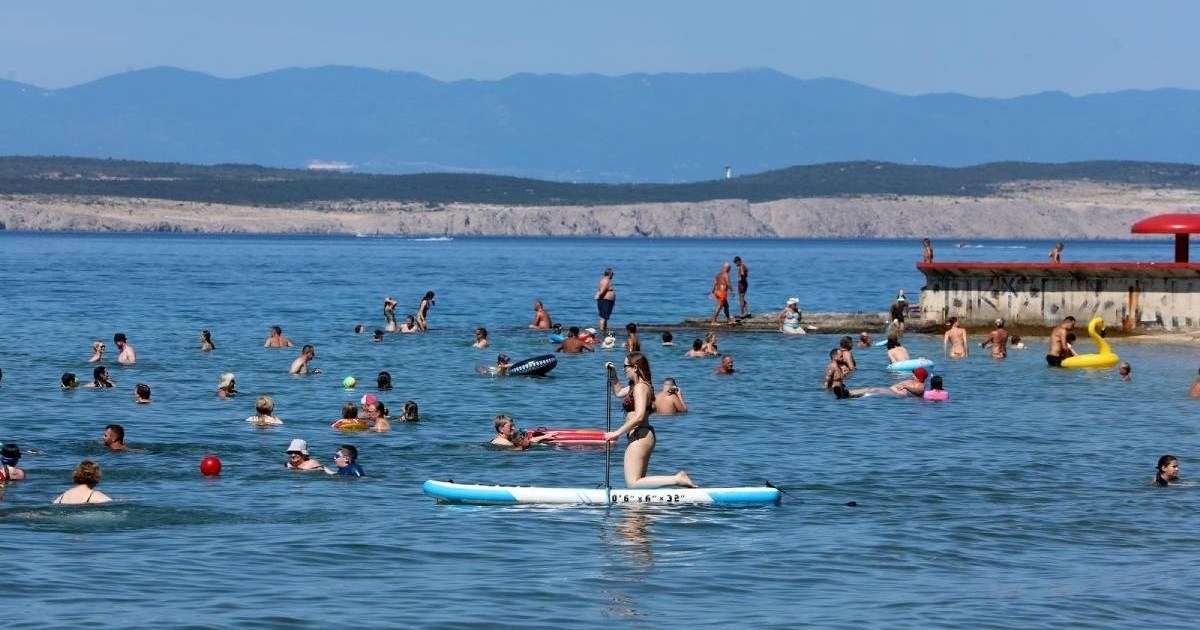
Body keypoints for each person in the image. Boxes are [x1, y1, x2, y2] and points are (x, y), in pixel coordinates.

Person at [602, 354, 695, 488]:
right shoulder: (639, 386)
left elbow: (639, 416)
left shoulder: (640, 387)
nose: (624, 370)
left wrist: (616, 433)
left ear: (634, 367)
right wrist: (613, 374)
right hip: (642, 435)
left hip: (640, 436)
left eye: (625, 366)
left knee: (633, 484)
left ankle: (677, 479)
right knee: (639, 484)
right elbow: (618, 392)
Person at [849, 367, 928, 398]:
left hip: (895, 393)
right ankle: (849, 393)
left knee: (873, 390)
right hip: (891, 391)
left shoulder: (920, 385)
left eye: (914, 374)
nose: (913, 375)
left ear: (919, 376)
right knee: (870, 389)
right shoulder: (913, 381)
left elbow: (919, 390)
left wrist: (906, 387)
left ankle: (850, 394)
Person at [595, 267, 616, 333]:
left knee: (605, 317)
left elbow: (600, 291)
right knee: (603, 317)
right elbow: (602, 291)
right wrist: (598, 296)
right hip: (605, 301)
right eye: (612, 274)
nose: (613, 275)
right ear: (609, 274)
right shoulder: (605, 281)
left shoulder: (605, 281)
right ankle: (602, 332)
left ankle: (604, 330)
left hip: (606, 301)